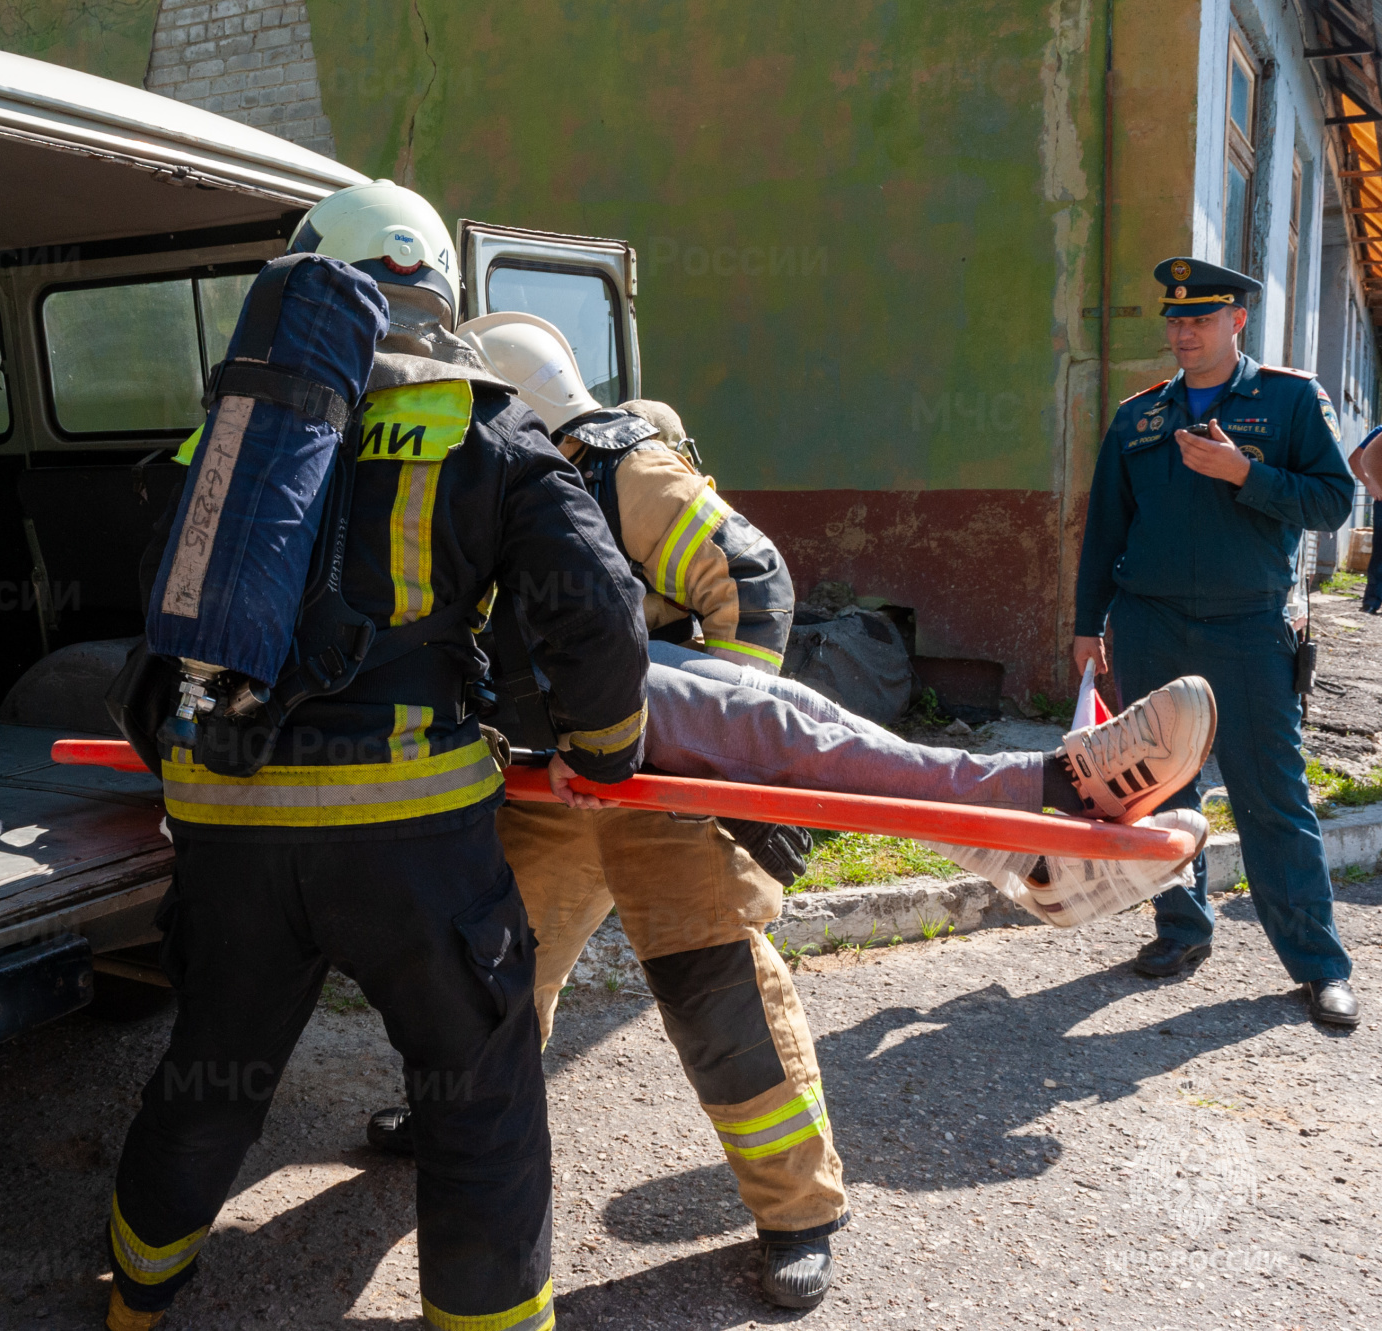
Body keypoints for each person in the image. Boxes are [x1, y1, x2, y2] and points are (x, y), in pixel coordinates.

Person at [362, 316, 1217, 1310]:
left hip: (660, 793)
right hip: (551, 785)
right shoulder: (480, 491)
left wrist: (694, 745)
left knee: (718, 1003)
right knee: (488, 975)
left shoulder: (614, 471)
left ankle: (796, 1214)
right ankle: (452, 1119)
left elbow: (752, 581)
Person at [102, 181, 651, 1331]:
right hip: (410, 842)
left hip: (232, 824)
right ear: (439, 293)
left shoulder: (231, 431)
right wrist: (604, 749)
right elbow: (594, 607)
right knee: (476, 1094)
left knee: (212, 1071)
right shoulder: (487, 422)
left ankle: (138, 1290)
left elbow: (162, 619)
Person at [1073, 256, 1359, 1026]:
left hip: (1248, 627)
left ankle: (1319, 963)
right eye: (1174, 318)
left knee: (1273, 797)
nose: (1183, 331)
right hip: (1150, 624)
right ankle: (1182, 929)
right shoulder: (1139, 417)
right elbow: (1105, 528)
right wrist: (1084, 624)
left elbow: (1335, 501)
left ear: (1237, 321)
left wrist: (1246, 474)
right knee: (1161, 791)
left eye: (1200, 318)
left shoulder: (1291, 400)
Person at [1350, 424, 1382, 614]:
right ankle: (1372, 601)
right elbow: (1355, 459)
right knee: (1380, 552)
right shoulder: (1379, 431)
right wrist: (1372, 484)